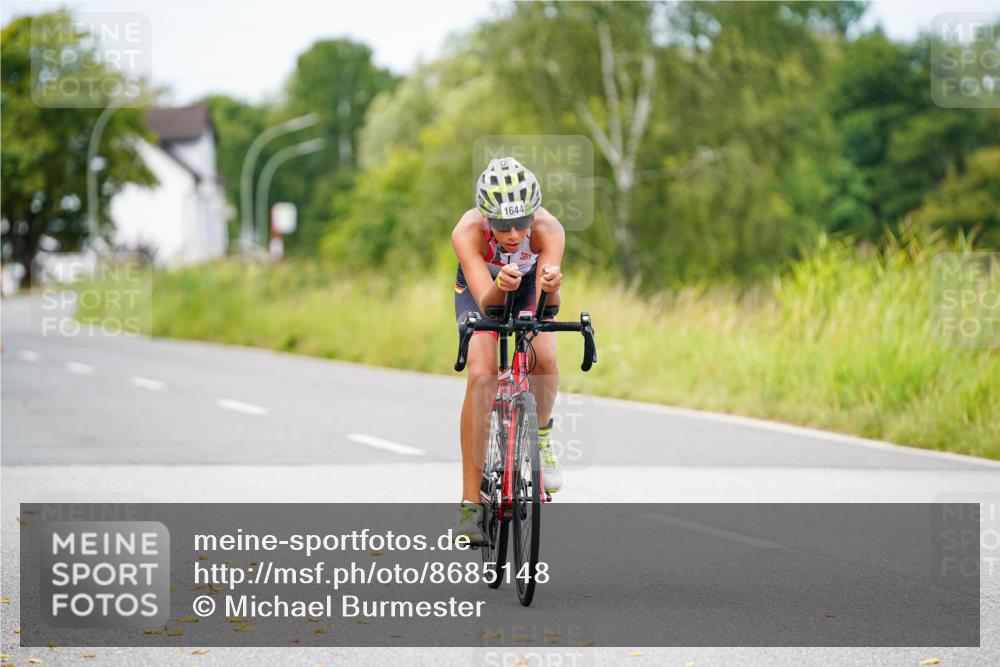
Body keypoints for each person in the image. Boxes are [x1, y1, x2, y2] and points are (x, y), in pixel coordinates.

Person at [450, 157, 565, 544]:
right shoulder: (468, 232)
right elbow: (488, 303)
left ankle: (543, 437)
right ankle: (471, 504)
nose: (514, 234)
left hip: (530, 282)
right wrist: (501, 282)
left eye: (521, 222)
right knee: (482, 374)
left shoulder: (548, 230)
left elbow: (551, 305)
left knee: (544, 358)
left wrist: (552, 284)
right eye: (502, 225)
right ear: (486, 220)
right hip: (483, 285)